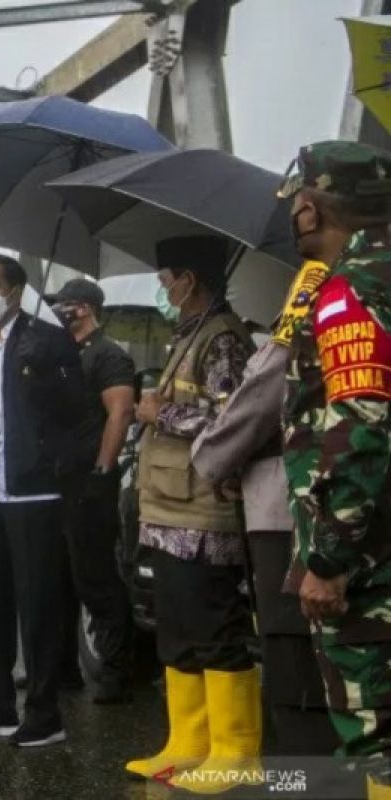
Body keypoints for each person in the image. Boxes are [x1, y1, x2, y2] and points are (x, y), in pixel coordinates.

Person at [124, 237, 258, 792]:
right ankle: (187, 744)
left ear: (191, 279)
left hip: (202, 513)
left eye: (167, 276)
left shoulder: (223, 338)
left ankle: (235, 750)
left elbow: (232, 422)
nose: (163, 286)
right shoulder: (189, 334)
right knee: (176, 630)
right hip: (167, 509)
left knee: (214, 627)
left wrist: (162, 411)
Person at [192, 258, 339, 758]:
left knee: (296, 668)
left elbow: (266, 384)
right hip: (355, 501)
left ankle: (310, 788)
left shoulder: (320, 279)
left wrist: (213, 457)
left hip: (293, 506)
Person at [279, 142, 391, 778]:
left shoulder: (350, 292)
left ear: (312, 208)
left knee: (374, 741)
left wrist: (328, 559)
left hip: (371, 567)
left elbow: (359, 429)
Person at [0, 253, 84, 748]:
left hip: (33, 493)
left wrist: (57, 467)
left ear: (16, 291)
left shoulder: (47, 343)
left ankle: (45, 713)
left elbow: (76, 417)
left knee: (38, 605)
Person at [49, 278, 137, 705]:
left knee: (96, 576)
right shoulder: (64, 355)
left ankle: (118, 668)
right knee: (60, 578)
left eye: (65, 306)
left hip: (91, 480)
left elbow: (119, 413)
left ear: (82, 308)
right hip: (58, 480)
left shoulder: (109, 354)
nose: (60, 313)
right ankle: (61, 666)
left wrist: (102, 471)